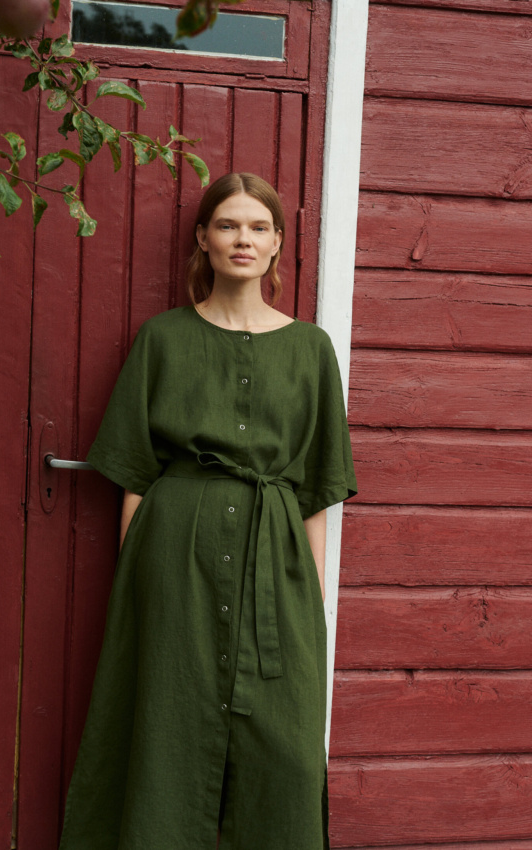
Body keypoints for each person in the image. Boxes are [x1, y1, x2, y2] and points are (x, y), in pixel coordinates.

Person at [59, 172, 357, 850]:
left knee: (286, 751)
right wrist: (142, 589)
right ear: (203, 238)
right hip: (175, 557)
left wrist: (305, 604)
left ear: (279, 243)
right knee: (168, 731)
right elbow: (134, 473)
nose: (242, 240)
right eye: (227, 225)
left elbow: (316, 490)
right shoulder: (162, 338)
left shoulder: (311, 350)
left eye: (258, 227)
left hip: (276, 562)